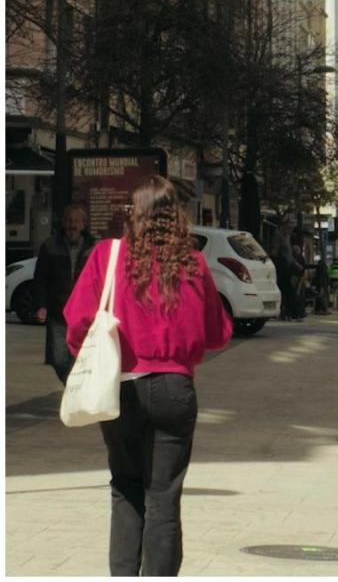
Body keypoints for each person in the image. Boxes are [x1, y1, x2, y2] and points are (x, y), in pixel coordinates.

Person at [64, 175, 232, 575]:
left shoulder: (109, 256)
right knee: (164, 497)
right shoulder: (192, 263)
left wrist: (85, 356)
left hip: (121, 387)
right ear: (176, 216)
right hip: (175, 389)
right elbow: (217, 333)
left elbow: (76, 321)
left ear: (133, 214)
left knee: (125, 486)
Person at [37, 202, 95, 383]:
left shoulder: (93, 248)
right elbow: (40, 278)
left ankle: (75, 390)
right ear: (64, 222)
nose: (73, 225)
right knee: (59, 358)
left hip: (84, 313)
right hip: (58, 312)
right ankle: (71, 386)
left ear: (84, 224)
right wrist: (41, 305)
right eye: (69, 220)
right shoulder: (50, 246)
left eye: (77, 221)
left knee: (80, 357)